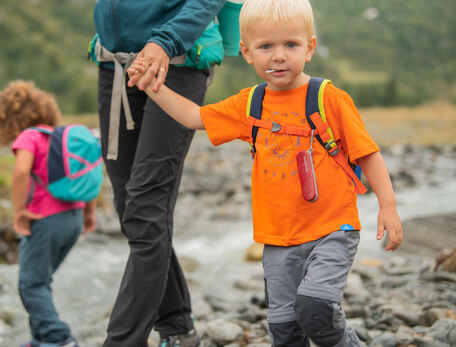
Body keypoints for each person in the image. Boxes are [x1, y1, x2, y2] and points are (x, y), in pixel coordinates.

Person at [127, 0, 403, 346]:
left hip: (332, 227)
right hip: (277, 238)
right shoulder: (250, 104)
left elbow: (369, 155)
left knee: (316, 308)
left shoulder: (328, 98)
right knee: (284, 330)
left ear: (310, 47)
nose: (278, 56)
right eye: (265, 47)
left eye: (291, 44)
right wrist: (155, 86)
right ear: (246, 52)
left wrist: (388, 206)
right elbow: (195, 117)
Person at [92, 1, 230, 347]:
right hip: (115, 63)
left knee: (145, 207)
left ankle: (122, 341)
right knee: (131, 210)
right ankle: (178, 327)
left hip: (177, 62)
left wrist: (165, 41)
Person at [0, 80, 97, 347]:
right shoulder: (59, 139)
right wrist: (89, 214)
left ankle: (58, 338)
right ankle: (39, 339)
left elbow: (22, 171)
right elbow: (86, 175)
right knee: (40, 281)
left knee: (31, 284)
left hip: (45, 219)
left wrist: (19, 211)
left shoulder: (29, 136)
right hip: (72, 218)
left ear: (9, 119)